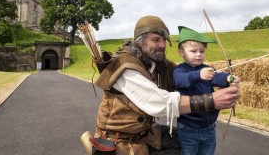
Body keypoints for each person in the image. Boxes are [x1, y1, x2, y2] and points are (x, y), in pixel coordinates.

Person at [92, 15, 240, 155]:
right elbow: (160, 103)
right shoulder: (126, 66)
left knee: (185, 139)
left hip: (143, 134)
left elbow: (187, 75)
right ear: (140, 41)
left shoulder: (157, 63)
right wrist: (211, 100)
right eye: (156, 40)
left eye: (164, 40)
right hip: (119, 142)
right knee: (185, 146)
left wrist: (225, 80)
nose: (162, 45)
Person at [173, 26, 239, 155]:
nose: (198, 54)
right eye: (193, 51)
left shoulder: (207, 69)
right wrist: (198, 75)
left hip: (209, 127)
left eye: (202, 51)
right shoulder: (180, 70)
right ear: (181, 52)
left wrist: (228, 78)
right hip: (188, 128)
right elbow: (179, 81)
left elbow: (217, 77)